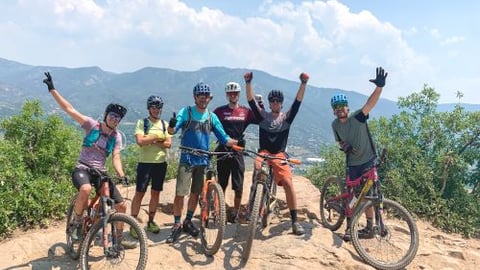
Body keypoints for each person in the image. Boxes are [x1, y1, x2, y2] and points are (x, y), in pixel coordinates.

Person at [42, 72, 137, 248]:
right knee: (85, 189)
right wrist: (53, 90)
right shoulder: (92, 125)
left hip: (100, 172)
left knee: (121, 205)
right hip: (83, 168)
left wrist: (121, 174)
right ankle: (77, 222)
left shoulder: (116, 137)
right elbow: (69, 110)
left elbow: (116, 157)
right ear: (106, 114)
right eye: (112, 115)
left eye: (118, 117)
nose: (115, 118)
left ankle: (117, 238)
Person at [165, 82, 238, 243]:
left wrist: (237, 144)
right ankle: (177, 224)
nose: (203, 98)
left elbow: (223, 138)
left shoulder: (212, 117)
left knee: (195, 193)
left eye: (206, 96)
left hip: (203, 159)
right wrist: (171, 126)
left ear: (209, 98)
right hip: (187, 158)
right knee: (180, 193)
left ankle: (188, 221)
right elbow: (173, 130)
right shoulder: (187, 112)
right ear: (195, 97)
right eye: (200, 95)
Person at [244, 71, 309, 236]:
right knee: (258, 171)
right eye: (272, 101)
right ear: (269, 103)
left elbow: (297, 102)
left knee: (287, 182)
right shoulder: (262, 116)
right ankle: (253, 206)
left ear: (281, 103)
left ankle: (295, 222)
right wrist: (248, 82)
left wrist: (303, 84)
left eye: (278, 101)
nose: (275, 103)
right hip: (264, 152)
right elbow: (251, 101)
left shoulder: (286, 118)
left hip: (279, 154)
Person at [330, 66, 388, 241]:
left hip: (369, 161)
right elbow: (339, 140)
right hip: (353, 164)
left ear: (347, 108)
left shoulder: (358, 117)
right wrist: (344, 146)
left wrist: (379, 87)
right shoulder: (335, 125)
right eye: (336, 107)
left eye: (342, 106)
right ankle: (349, 227)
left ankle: (372, 226)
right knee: (354, 196)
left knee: (371, 194)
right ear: (334, 110)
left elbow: (370, 103)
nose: (340, 109)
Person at [213, 82, 258, 223]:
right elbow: (210, 125)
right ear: (227, 95)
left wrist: (260, 105)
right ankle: (219, 211)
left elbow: (260, 119)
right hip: (223, 150)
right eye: (231, 93)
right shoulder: (219, 111)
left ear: (239, 94)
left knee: (238, 187)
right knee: (222, 183)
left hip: (238, 151)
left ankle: (236, 213)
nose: (233, 95)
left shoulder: (245, 112)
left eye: (236, 93)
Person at [129, 95, 172, 238]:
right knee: (139, 193)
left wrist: (151, 140)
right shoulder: (142, 123)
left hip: (160, 163)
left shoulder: (165, 124)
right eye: (153, 106)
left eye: (158, 107)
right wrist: (157, 137)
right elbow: (140, 141)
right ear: (149, 108)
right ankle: (133, 223)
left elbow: (168, 144)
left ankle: (151, 221)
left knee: (156, 193)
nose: (156, 109)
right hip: (145, 164)